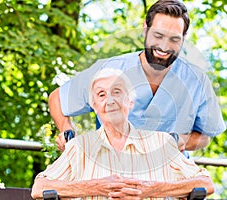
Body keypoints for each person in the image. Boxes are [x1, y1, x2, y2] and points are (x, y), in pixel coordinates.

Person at [49, 0, 226, 152]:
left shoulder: (197, 80)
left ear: (184, 38)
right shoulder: (111, 69)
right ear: (145, 29)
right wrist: (66, 130)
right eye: (158, 35)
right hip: (112, 174)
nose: (164, 46)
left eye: (174, 39)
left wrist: (180, 141)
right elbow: (58, 98)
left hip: (169, 178)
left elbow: (204, 136)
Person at [31, 68, 214, 199]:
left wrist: (151, 189)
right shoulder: (80, 147)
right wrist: (94, 187)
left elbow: (206, 183)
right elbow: (39, 188)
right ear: (94, 107)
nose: (109, 101)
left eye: (116, 92)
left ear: (130, 102)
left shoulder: (160, 142)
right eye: (101, 95)